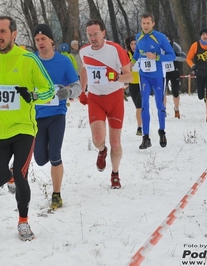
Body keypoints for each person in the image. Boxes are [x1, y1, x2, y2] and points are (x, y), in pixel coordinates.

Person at [0, 16, 55, 241]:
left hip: (24, 129)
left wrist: (32, 96)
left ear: (14, 33)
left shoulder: (28, 58)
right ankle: (7, 176)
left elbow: (48, 88)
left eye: (3, 31)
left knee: (22, 175)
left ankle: (23, 222)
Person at [79, 19, 133, 189]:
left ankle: (115, 174)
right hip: (95, 98)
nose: (93, 38)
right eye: (89, 35)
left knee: (115, 141)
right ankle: (102, 151)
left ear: (103, 33)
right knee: (98, 139)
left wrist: (116, 77)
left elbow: (129, 76)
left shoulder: (115, 50)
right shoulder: (84, 51)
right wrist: (82, 90)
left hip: (115, 97)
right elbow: (84, 69)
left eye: (96, 34)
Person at [33, 24, 81, 209]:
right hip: (36, 116)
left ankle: (56, 194)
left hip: (57, 115)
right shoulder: (31, 61)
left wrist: (67, 92)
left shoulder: (63, 62)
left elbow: (77, 87)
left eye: (43, 39)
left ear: (52, 40)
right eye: (37, 40)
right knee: (40, 159)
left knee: (55, 154)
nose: (40, 43)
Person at [131, 13, 175, 149]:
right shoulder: (138, 37)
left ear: (153, 24)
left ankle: (162, 132)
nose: (145, 26)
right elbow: (137, 54)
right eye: (143, 23)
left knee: (159, 105)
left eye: (148, 23)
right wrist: (131, 62)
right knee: (144, 104)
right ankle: (146, 137)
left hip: (157, 76)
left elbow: (172, 55)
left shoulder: (160, 37)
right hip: (144, 75)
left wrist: (157, 57)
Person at [161, 31, 186, 119]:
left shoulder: (174, 45)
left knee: (175, 92)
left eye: (166, 38)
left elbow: (184, 57)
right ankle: (163, 110)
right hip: (163, 72)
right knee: (162, 92)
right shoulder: (157, 46)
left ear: (168, 38)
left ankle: (176, 109)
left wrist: (173, 57)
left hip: (174, 71)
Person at [125, 35, 142, 135]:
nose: (134, 46)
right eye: (131, 44)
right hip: (132, 83)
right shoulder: (127, 55)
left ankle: (139, 127)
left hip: (143, 83)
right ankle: (142, 124)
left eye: (135, 43)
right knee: (138, 108)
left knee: (140, 106)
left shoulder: (142, 53)